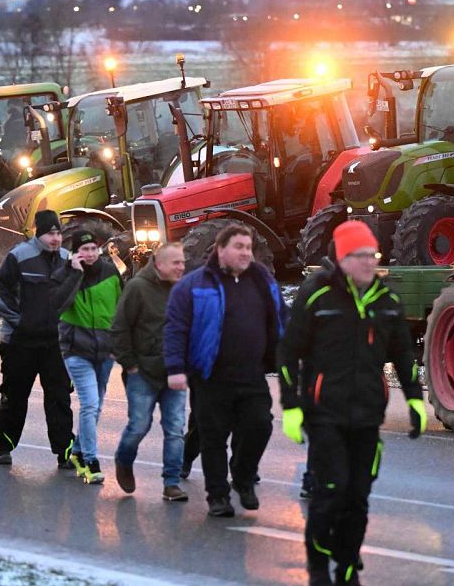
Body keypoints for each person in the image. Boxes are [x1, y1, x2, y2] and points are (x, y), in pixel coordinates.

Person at [279, 220, 426, 586]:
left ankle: (346, 567)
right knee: (331, 492)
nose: (367, 262)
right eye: (359, 256)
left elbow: (404, 356)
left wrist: (416, 401)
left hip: (366, 415)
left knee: (357, 498)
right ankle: (318, 567)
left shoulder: (386, 301)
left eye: (372, 255)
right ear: (342, 258)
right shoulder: (317, 295)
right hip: (324, 412)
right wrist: (292, 406)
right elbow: (288, 353)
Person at [165, 224, 286, 518]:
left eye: (249, 247)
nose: (246, 252)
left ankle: (243, 478)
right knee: (213, 437)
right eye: (239, 247)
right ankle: (217, 497)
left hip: (253, 374)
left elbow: (282, 318)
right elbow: (176, 328)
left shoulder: (262, 281)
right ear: (221, 250)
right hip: (210, 377)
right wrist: (175, 368)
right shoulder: (194, 285)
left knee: (260, 425)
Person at [0, 210, 76, 470]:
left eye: (58, 233)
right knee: (14, 396)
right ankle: (4, 445)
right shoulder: (19, 256)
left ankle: (65, 451)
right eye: (50, 233)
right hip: (19, 342)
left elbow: (74, 296)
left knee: (60, 397)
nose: (55, 238)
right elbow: (0, 292)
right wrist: (20, 321)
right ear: (39, 233)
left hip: (55, 343)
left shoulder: (67, 259)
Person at [112, 241, 189, 501]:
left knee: (175, 428)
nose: (181, 267)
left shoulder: (183, 290)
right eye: (175, 263)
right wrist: (129, 363)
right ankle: (124, 460)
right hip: (142, 372)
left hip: (174, 372)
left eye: (182, 262)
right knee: (139, 426)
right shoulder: (137, 288)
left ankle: (171, 483)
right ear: (159, 264)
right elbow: (120, 327)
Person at [53, 230, 123, 484]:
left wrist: (119, 344)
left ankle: (78, 451)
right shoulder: (64, 275)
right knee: (90, 403)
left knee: (97, 405)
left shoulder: (110, 272)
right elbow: (58, 305)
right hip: (76, 350)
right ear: (75, 253)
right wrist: (75, 273)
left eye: (94, 249)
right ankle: (90, 461)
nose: (90, 254)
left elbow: (120, 307)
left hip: (105, 351)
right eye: (85, 250)